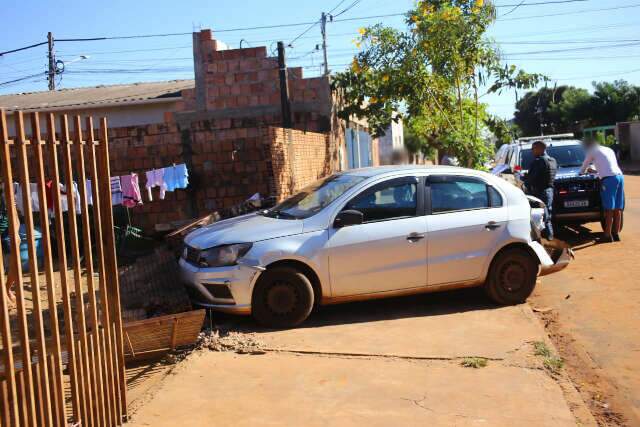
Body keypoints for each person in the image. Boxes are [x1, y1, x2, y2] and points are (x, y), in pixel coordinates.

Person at [580, 138, 624, 242]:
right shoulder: (608, 149)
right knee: (617, 209)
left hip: (609, 180)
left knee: (609, 209)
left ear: (588, 145)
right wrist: (594, 171)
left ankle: (607, 235)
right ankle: (616, 234)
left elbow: (584, 166)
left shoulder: (591, 151)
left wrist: (582, 172)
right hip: (619, 176)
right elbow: (608, 167)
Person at [525, 140, 557, 240]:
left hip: (540, 193)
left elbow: (531, 179)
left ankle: (549, 241)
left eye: (533, 148)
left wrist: (523, 180)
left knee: (542, 218)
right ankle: (550, 239)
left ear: (540, 148)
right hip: (549, 191)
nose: (532, 151)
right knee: (547, 217)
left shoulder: (539, 161)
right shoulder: (553, 160)